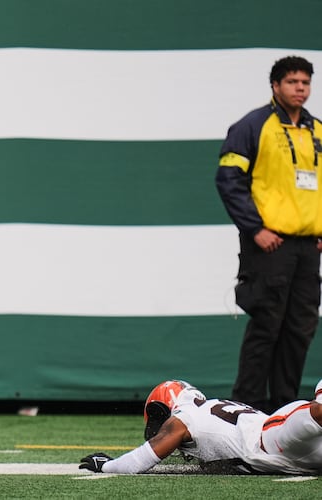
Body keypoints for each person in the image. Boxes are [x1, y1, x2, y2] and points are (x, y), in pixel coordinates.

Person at [215, 56, 322, 413]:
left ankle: (285, 410)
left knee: (300, 329)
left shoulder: (317, 130)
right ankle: (245, 408)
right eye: (292, 82)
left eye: (305, 82)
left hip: (308, 248)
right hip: (269, 244)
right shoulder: (253, 125)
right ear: (275, 86)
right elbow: (229, 179)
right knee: (266, 326)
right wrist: (255, 228)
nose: (300, 89)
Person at [79, 379, 322, 475]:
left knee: (318, 411)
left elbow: (142, 458)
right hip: (285, 450)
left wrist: (107, 465)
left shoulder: (186, 417)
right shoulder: (211, 406)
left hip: (270, 439)